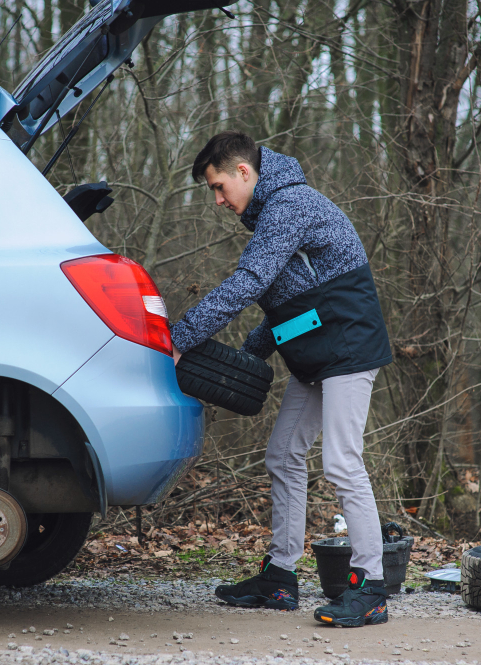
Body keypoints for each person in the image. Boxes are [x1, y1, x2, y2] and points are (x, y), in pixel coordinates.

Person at [170, 131, 393, 627]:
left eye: (219, 187)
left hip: (349, 350)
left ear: (244, 173)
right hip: (318, 353)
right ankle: (280, 576)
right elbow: (299, 307)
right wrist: (251, 353)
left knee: (341, 462)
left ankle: (372, 586)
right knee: (282, 455)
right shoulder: (273, 213)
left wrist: (181, 337)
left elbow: (250, 283)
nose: (218, 200)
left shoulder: (289, 205)